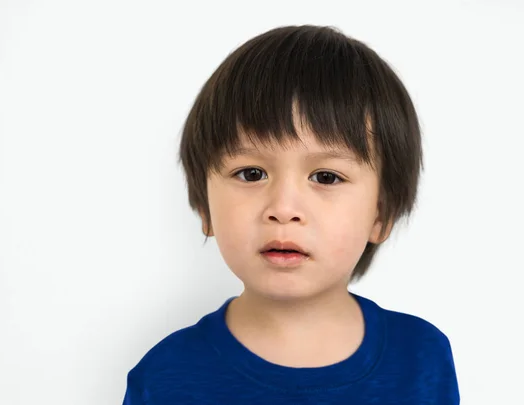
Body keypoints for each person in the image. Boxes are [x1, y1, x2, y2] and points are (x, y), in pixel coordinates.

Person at [123, 24, 459, 404]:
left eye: (326, 177)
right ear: (205, 207)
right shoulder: (165, 376)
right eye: (251, 174)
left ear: (380, 215)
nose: (283, 208)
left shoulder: (422, 358)